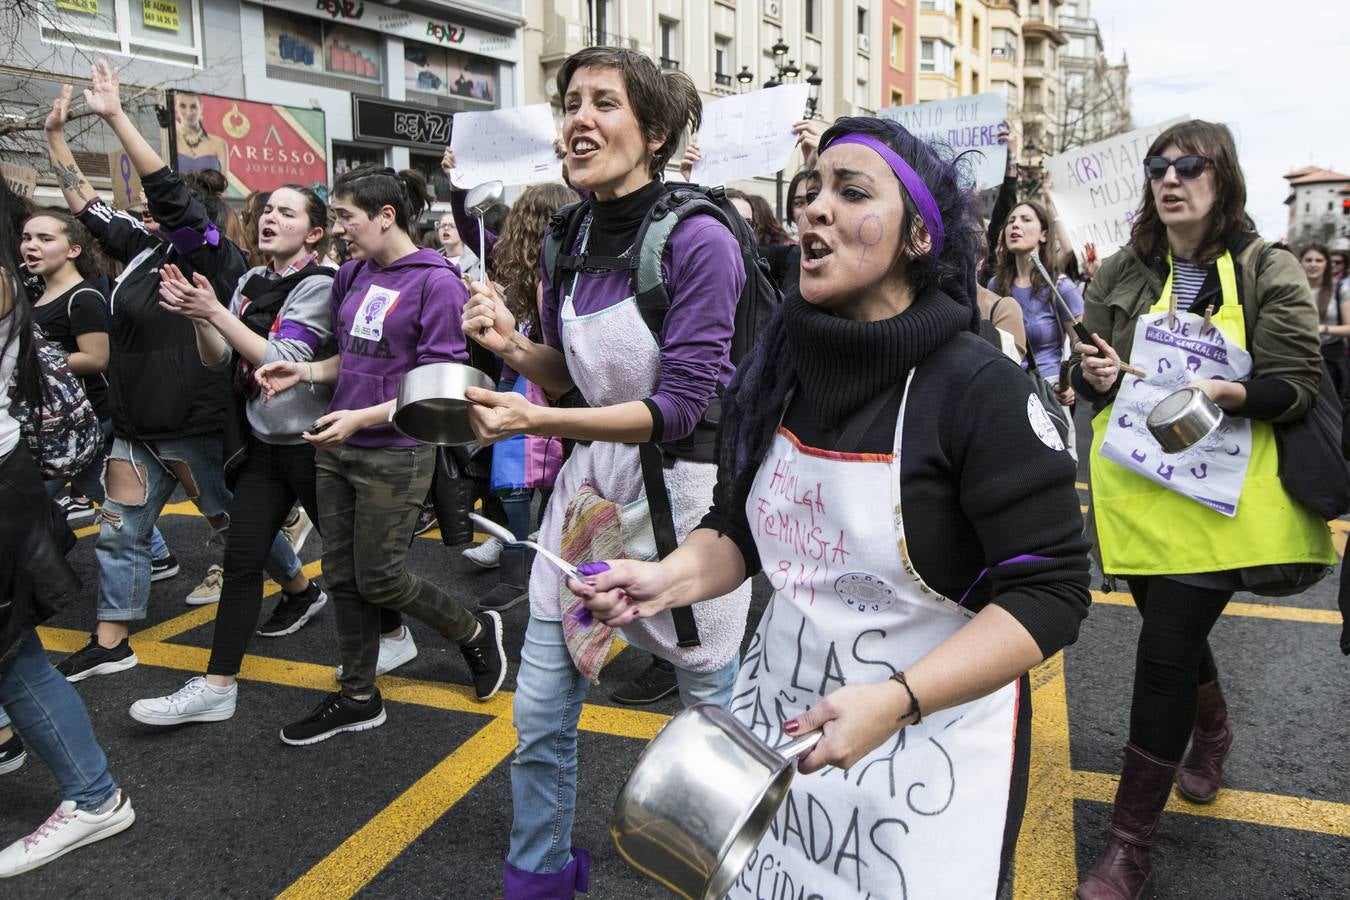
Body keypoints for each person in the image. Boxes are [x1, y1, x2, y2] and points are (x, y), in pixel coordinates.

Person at [575, 115, 1090, 897]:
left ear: (918, 236)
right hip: (776, 732)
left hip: (925, 756)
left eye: (851, 192)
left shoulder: (978, 388)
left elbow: (1050, 592)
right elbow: (739, 530)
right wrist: (666, 578)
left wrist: (897, 700)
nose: (814, 206)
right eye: (810, 189)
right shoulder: (779, 369)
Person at [460, 47, 754, 895]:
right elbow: (572, 373)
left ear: (653, 132)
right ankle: (539, 876)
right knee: (542, 716)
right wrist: (514, 349)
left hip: (690, 507)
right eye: (571, 102)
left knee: (707, 727)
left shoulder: (700, 238)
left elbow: (682, 406)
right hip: (589, 498)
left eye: (604, 103)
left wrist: (537, 414)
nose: (579, 119)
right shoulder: (568, 234)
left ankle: (721, 879)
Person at [1070, 120, 1335, 900]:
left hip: (1220, 501)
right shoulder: (1121, 270)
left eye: (1189, 165)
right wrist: (1094, 372)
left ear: (1223, 178)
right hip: (1138, 491)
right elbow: (1097, 382)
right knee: (1173, 639)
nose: (1170, 177)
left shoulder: (1265, 266)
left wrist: (1228, 392)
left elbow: (1298, 385)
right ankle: (1212, 730)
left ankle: (1129, 847)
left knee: (1162, 656)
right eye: (1158, 166)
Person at [43, 65, 310, 681]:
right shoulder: (142, 249)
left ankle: (300, 587)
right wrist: (58, 137)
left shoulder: (213, 254)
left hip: (195, 427)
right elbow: (86, 206)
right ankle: (113, 638)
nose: (141, 206)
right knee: (118, 528)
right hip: (135, 428)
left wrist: (115, 117)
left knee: (233, 528)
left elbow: (166, 191)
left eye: (157, 205)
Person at [256, 166, 507, 746]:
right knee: (342, 577)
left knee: (382, 578)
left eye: (345, 216)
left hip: (394, 450)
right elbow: (351, 359)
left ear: (385, 216)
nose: (337, 228)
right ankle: (358, 695)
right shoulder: (350, 275)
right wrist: (306, 370)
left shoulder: (437, 281)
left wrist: (361, 418)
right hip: (337, 446)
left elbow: (438, 383)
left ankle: (472, 629)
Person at [128, 184, 338, 726]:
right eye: (268, 210)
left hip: (315, 445)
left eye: (287, 214)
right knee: (242, 561)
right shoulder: (251, 280)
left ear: (314, 233)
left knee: (354, 562)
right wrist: (201, 319)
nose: (270, 219)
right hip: (263, 445)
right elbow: (220, 361)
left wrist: (214, 312)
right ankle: (218, 685)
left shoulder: (320, 284)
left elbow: (279, 361)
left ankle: (408, 631)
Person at [0, 175, 136, 879]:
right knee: (114, 519)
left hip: (74, 438)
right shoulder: (38, 293)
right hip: (42, 447)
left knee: (120, 520)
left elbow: (99, 360)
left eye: (43, 237)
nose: (31, 245)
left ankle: (138, 572)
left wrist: (47, 359)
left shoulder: (80, 295)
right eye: (26, 236)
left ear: (73, 247)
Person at [990, 198, 1084, 457]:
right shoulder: (994, 287)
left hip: (1048, 393)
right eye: (1011, 221)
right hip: (1006, 395)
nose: (1015, 226)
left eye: (1025, 219)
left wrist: (1071, 384)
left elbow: (1081, 343)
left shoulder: (1060, 286)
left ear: (1044, 235)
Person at [1301, 242, 1350, 398]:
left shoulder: (1340, 289)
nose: (1313, 265)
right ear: (1300, 262)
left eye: (1319, 260)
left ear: (1326, 264)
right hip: (1300, 358)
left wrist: (1323, 329)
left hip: (1331, 360)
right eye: (1308, 260)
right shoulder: (1290, 289)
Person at [173, 92, 229, 178]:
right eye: (183, 106)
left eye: (193, 106)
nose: (189, 113)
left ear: (201, 108)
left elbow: (224, 187)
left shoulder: (219, 144)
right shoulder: (170, 141)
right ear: (176, 108)